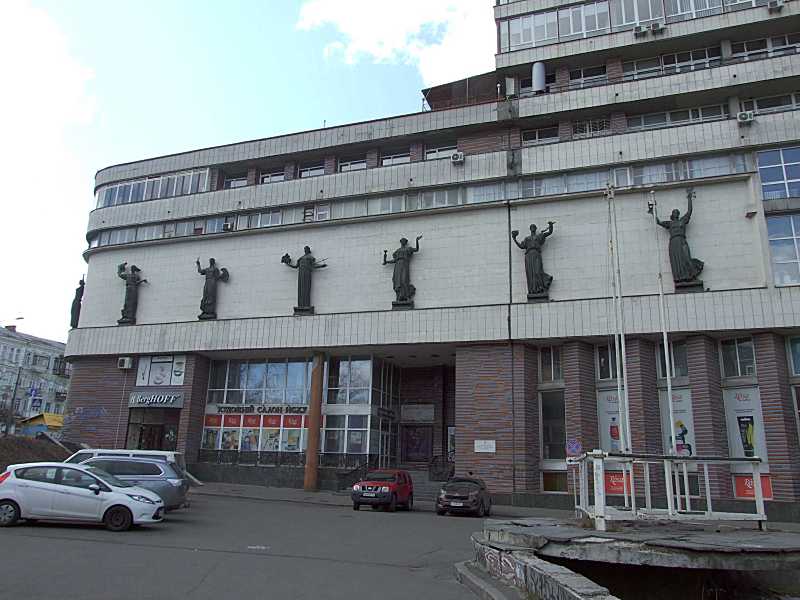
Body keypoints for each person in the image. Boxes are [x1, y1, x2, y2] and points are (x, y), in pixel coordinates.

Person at [656, 188, 704, 283]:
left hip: (681, 240)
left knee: (687, 258)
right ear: (672, 215)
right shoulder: (670, 223)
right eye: (675, 212)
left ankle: (693, 276)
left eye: (677, 212)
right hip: (674, 243)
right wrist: (653, 213)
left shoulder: (683, 220)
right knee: (677, 261)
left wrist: (689, 198)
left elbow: (689, 211)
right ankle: (681, 279)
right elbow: (659, 222)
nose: (676, 213)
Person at [512, 222, 555, 296]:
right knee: (530, 273)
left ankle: (541, 287)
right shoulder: (527, 238)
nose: (532, 228)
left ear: (535, 229)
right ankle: (533, 290)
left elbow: (549, 232)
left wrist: (550, 225)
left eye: (534, 227)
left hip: (536, 254)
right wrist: (514, 239)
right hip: (528, 256)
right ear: (530, 229)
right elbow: (521, 246)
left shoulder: (539, 236)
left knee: (538, 271)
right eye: (531, 227)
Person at [383, 235, 423, 303]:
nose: (403, 242)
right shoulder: (397, 251)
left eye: (404, 241)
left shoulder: (408, 249)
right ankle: (399, 296)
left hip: (404, 265)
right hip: (397, 266)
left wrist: (416, 240)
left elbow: (416, 249)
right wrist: (386, 261)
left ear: (406, 242)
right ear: (401, 242)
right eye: (402, 241)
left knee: (404, 280)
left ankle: (407, 296)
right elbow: (394, 260)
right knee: (397, 281)